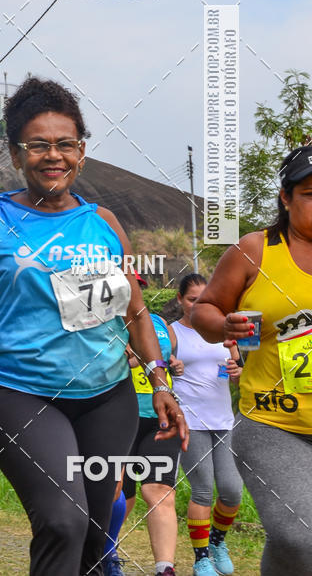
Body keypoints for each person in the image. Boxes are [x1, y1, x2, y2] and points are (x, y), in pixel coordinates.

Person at [0, 78, 187, 576]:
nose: (53, 155)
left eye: (65, 144)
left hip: (108, 398)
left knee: (97, 532)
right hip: (23, 394)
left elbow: (134, 310)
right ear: (15, 154)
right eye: (38, 145)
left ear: (81, 151)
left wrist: (159, 380)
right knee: (61, 521)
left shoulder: (105, 222)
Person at [191, 146, 312, 576]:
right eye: (311, 194)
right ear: (285, 197)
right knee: (300, 533)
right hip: (273, 422)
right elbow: (202, 311)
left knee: (297, 543)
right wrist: (226, 324)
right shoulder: (256, 250)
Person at [172, 273, 243, 576]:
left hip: (224, 419)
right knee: (202, 491)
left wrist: (236, 368)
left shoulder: (222, 331)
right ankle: (201, 558)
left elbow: (237, 363)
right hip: (190, 420)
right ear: (180, 300)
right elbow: (156, 365)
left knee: (231, 491)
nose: (197, 305)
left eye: (203, 299)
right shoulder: (173, 332)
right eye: (191, 299)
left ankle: (217, 541)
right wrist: (169, 365)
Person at [115, 274, 184, 576]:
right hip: (118, 416)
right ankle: (104, 552)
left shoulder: (159, 323)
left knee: (159, 489)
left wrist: (174, 365)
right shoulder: (105, 323)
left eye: (138, 288)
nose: (134, 294)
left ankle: (164, 568)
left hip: (160, 418)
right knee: (119, 494)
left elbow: (169, 359)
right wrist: (133, 356)